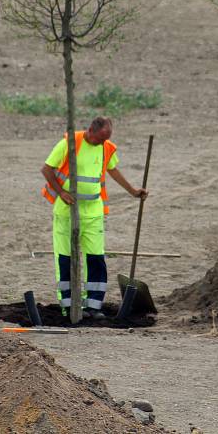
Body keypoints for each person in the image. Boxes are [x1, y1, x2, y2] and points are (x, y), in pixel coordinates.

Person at [41, 117, 148, 320]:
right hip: (67, 212)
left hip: (93, 213)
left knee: (96, 258)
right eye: (100, 139)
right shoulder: (70, 143)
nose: (102, 143)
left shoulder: (106, 147)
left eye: (106, 139)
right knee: (66, 259)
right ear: (90, 130)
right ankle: (70, 306)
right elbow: (46, 169)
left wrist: (133, 191)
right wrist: (61, 193)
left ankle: (93, 306)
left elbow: (113, 170)